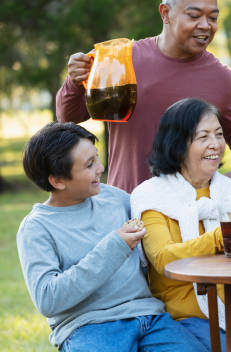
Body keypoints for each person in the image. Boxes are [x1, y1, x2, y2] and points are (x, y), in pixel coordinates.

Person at [16, 122, 204, 351]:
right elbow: (48, 299)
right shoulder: (37, 228)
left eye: (96, 158)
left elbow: (169, 205)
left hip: (150, 318)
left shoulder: (113, 198)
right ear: (57, 180)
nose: (101, 168)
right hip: (89, 327)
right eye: (89, 165)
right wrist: (115, 246)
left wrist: (220, 185)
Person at [130, 98, 231, 352]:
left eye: (219, 134)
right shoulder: (152, 196)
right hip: (188, 316)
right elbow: (163, 258)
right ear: (177, 143)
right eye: (203, 137)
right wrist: (222, 236)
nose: (215, 144)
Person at [56, 0, 231, 193]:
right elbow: (69, 117)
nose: (205, 25)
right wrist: (75, 81)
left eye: (213, 17)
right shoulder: (119, 60)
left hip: (194, 212)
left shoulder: (221, 78)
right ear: (165, 13)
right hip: (128, 207)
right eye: (194, 16)